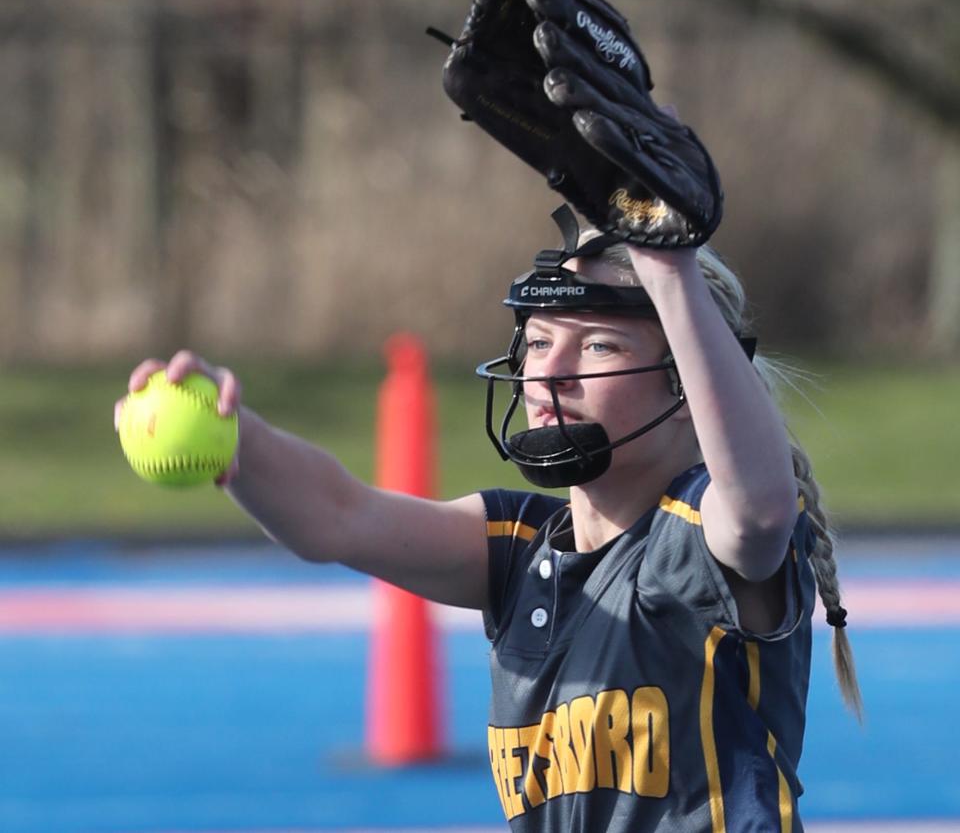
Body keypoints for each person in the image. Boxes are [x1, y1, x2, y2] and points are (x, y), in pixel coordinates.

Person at [117, 205, 860, 832]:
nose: (549, 372)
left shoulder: (701, 532)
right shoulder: (521, 550)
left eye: (598, 343)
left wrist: (671, 270)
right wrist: (238, 434)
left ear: (690, 382)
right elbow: (336, 516)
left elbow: (758, 508)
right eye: (539, 341)